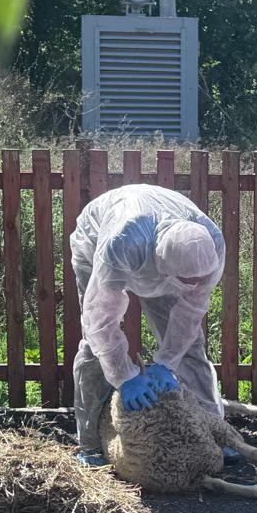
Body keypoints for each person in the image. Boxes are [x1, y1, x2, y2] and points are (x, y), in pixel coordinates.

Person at [70, 184, 225, 467]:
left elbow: (191, 312)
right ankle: (90, 443)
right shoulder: (121, 243)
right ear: (163, 266)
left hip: (164, 256)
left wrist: (167, 362)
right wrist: (124, 377)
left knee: (192, 347)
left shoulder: (211, 243)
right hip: (97, 241)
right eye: (185, 281)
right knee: (95, 348)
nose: (193, 286)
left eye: (197, 280)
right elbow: (100, 321)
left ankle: (212, 432)